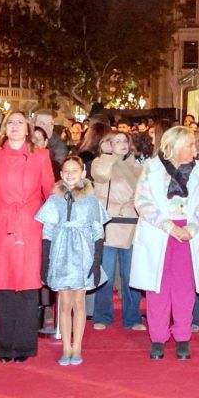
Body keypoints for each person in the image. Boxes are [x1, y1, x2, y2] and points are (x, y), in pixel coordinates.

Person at [0, 111, 56, 363]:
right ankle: (5, 348)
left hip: (31, 228)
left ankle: (25, 347)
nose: (16, 127)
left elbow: (51, 195)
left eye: (21, 122)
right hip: (0, 227)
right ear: (4, 128)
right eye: (11, 122)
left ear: (29, 128)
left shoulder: (41, 156)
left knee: (29, 288)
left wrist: (53, 232)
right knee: (5, 289)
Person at [131, 125, 199, 359]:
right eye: (190, 144)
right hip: (160, 234)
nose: (194, 149)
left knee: (185, 290)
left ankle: (183, 337)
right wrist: (168, 227)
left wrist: (191, 228)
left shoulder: (198, 169)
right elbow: (143, 201)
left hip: (187, 235)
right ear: (175, 145)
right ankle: (158, 338)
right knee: (157, 290)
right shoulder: (152, 168)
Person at [37, 155, 108, 367]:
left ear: (83, 173)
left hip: (83, 254)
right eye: (66, 171)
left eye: (74, 171)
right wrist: (45, 262)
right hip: (60, 253)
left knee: (79, 301)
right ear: (60, 174)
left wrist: (96, 261)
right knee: (64, 302)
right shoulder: (54, 199)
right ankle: (66, 346)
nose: (70, 174)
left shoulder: (92, 200)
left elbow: (98, 231)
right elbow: (47, 230)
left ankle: (77, 345)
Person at [89, 130, 145, 331]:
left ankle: (133, 317)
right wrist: (108, 156)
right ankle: (102, 316)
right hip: (108, 224)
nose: (121, 144)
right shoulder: (100, 162)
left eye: (124, 141)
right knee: (106, 274)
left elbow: (140, 191)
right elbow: (102, 176)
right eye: (116, 141)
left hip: (131, 224)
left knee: (131, 275)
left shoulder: (138, 167)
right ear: (107, 144)